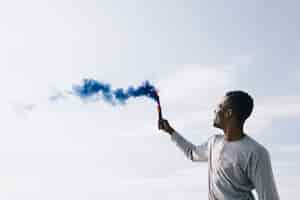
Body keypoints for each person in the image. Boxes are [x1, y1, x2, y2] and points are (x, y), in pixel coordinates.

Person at [158, 91, 280, 200]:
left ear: (228, 113)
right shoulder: (213, 143)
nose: (215, 110)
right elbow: (191, 152)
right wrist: (170, 131)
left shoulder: (256, 153)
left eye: (219, 107)